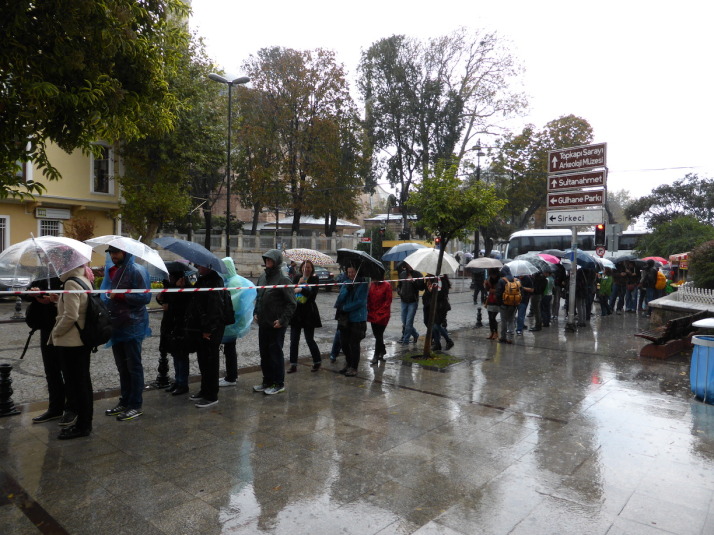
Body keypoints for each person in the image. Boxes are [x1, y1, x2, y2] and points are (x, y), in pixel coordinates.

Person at [101, 245, 152, 422]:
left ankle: (135, 405)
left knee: (133, 367)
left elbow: (145, 297)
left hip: (133, 325)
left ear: (125, 253)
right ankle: (125, 401)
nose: (113, 256)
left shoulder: (138, 271)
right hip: (117, 325)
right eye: (111, 253)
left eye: (116, 252)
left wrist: (121, 296)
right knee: (122, 367)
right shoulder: (114, 271)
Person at [49, 264, 92, 439]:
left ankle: (83, 426)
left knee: (77, 384)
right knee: (83, 383)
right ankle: (84, 422)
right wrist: (57, 301)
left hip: (71, 341)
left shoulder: (70, 283)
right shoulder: (83, 279)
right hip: (81, 340)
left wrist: (55, 331)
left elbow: (71, 316)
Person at [27, 277, 74, 426]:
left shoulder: (69, 278)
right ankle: (55, 408)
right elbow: (25, 293)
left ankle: (71, 409)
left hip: (65, 329)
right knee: (51, 371)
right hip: (47, 328)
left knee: (69, 371)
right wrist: (34, 295)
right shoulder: (42, 276)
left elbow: (78, 303)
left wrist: (56, 300)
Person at [253, 250, 296, 395]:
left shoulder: (283, 279)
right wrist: (255, 312)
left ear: (276, 261)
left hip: (276, 324)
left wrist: (283, 320)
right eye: (266, 260)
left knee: (275, 354)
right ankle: (267, 381)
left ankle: (278, 383)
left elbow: (292, 303)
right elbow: (259, 297)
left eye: (270, 260)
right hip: (263, 323)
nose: (267, 262)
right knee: (264, 354)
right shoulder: (263, 277)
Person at [185, 263, 227, 408]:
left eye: (200, 266)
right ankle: (204, 390)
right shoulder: (203, 279)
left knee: (210, 361)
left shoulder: (215, 281)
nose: (198, 268)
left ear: (209, 266)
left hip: (211, 329)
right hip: (201, 327)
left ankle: (211, 395)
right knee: (203, 360)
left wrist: (209, 329)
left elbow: (215, 308)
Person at [219, 257, 256, 387]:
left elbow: (232, 304)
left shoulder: (233, 282)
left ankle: (231, 377)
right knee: (229, 350)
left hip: (231, 323)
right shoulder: (233, 280)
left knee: (229, 350)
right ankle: (230, 376)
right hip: (233, 322)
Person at [157, 267, 193, 396]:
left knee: (181, 356)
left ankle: (183, 383)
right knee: (175, 355)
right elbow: (165, 300)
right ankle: (178, 381)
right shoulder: (171, 286)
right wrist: (160, 297)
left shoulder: (186, 288)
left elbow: (181, 305)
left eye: (172, 277)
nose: (170, 279)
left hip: (181, 326)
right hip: (170, 325)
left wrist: (175, 292)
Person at [288, 260, 322, 373]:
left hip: (309, 313)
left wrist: (302, 289)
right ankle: (293, 364)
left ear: (311, 269)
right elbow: (290, 292)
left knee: (309, 339)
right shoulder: (297, 277)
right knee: (294, 340)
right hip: (296, 313)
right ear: (301, 268)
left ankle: (317, 361)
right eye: (304, 267)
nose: (306, 269)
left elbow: (313, 297)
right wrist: (298, 283)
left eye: (308, 267)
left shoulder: (314, 279)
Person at [334, 265, 368, 376]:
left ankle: (354, 367)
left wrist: (345, 308)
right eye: (348, 272)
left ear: (357, 273)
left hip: (357, 319)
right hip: (345, 319)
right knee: (344, 343)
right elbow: (339, 299)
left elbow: (360, 302)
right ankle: (348, 363)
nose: (350, 274)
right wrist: (346, 291)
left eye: (353, 272)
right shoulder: (346, 283)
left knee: (354, 344)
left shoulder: (363, 285)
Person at [422, 274, 454, 350]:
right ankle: (437, 344)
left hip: (441, 307)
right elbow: (426, 293)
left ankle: (448, 340)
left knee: (436, 325)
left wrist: (431, 291)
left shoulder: (442, 281)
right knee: (432, 325)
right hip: (430, 306)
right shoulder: (429, 279)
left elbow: (440, 295)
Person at [368, 274, 392, 365]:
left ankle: (376, 355)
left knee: (379, 335)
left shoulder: (387, 285)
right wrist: (369, 308)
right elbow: (369, 298)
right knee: (376, 334)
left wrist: (380, 312)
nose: (373, 280)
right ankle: (382, 350)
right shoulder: (372, 285)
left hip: (383, 315)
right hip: (372, 313)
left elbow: (388, 300)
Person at [397, 262, 424, 344]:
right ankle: (415, 334)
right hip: (403, 301)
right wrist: (399, 292)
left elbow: (422, 288)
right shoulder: (402, 274)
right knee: (404, 321)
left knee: (409, 322)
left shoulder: (418, 274)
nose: (411, 265)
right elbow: (399, 286)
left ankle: (405, 341)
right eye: (409, 264)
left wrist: (414, 281)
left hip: (413, 301)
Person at [496, 265, 519, 344]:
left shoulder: (502, 280)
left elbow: (498, 293)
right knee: (511, 320)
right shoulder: (515, 279)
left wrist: (500, 303)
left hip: (504, 304)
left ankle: (503, 337)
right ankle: (511, 337)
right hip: (513, 304)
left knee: (504, 321)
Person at [484, 268, 501, 340]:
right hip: (490, 300)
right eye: (491, 275)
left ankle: (496, 332)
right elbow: (487, 289)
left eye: (493, 275)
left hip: (497, 301)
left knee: (493, 317)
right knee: (490, 318)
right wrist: (486, 285)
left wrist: (492, 290)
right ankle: (492, 332)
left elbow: (500, 290)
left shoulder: (500, 280)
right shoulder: (489, 279)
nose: (492, 276)